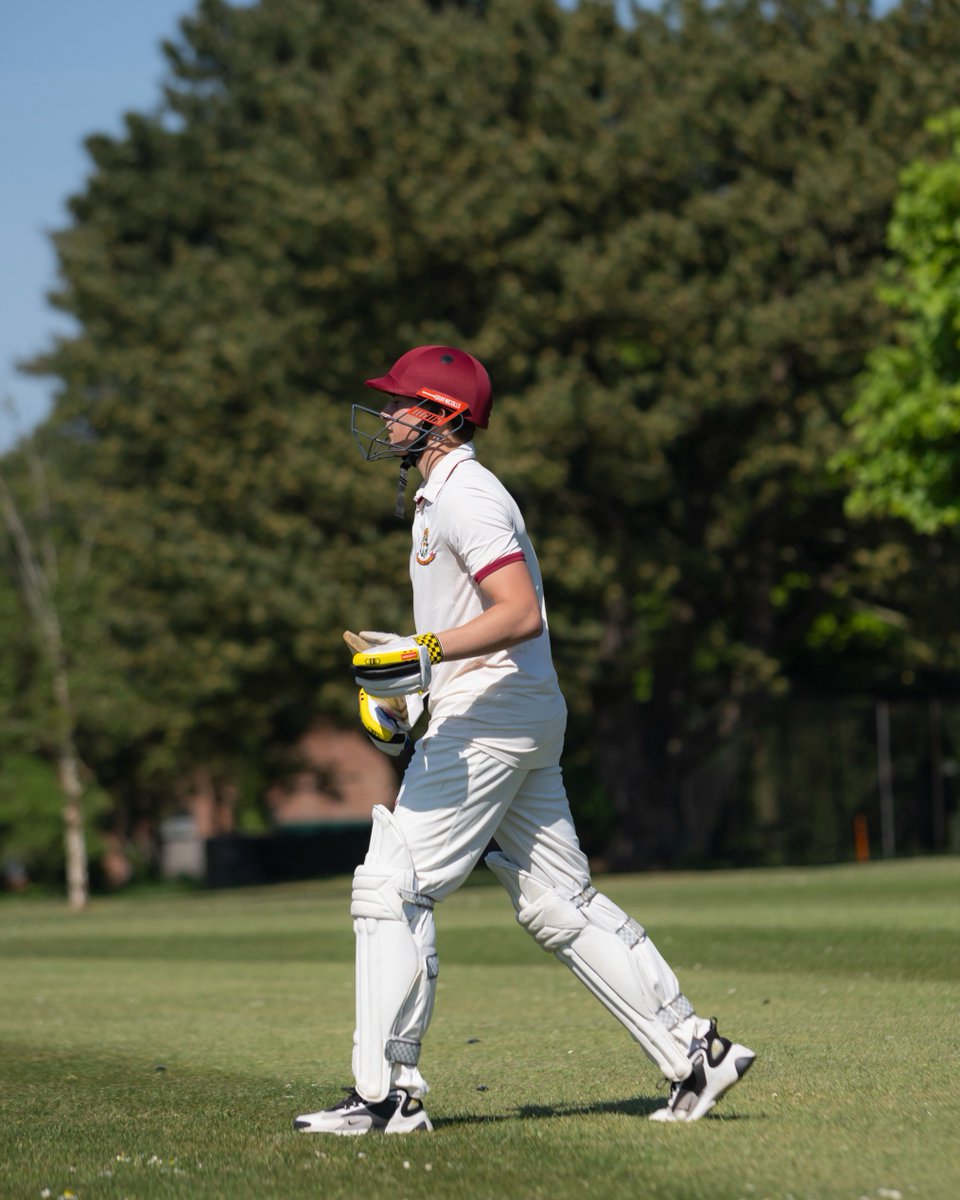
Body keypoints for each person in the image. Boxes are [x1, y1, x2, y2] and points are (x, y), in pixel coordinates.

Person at [294, 345, 754, 1135]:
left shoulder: (469, 495)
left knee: (391, 887)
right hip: (509, 710)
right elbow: (471, 626)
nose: (389, 414)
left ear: (443, 415)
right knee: (558, 904)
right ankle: (696, 1052)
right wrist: (409, 690)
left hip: (492, 718)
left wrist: (424, 652)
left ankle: (386, 1097)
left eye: (403, 402)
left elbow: (519, 612)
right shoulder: (440, 496)